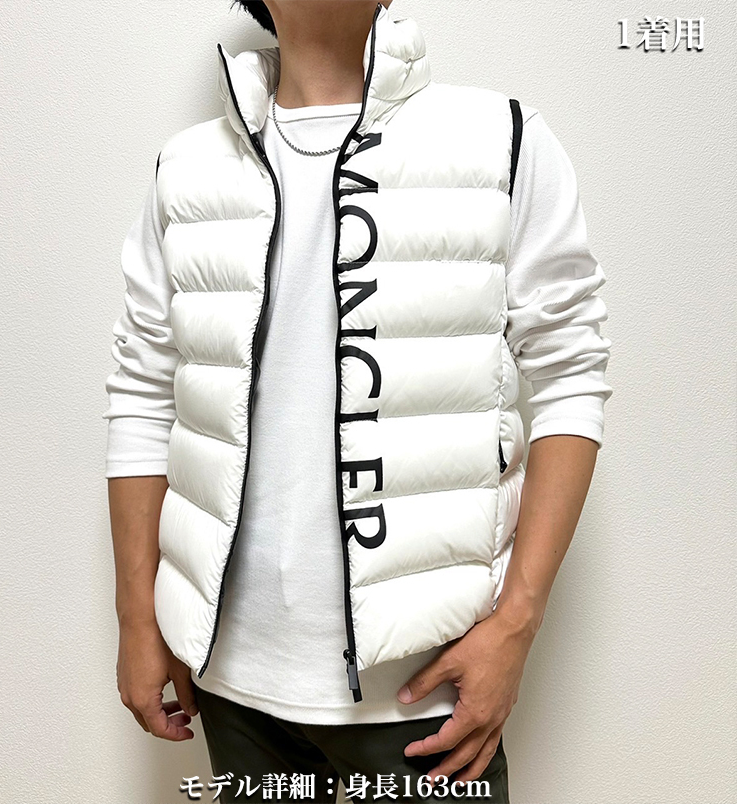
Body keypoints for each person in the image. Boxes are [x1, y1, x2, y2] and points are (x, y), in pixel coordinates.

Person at [103, 1, 613, 801]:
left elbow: (571, 376)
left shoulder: (500, 139)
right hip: (231, 684)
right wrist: (139, 618)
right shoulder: (187, 169)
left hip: (425, 692)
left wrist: (517, 622)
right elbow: (142, 392)